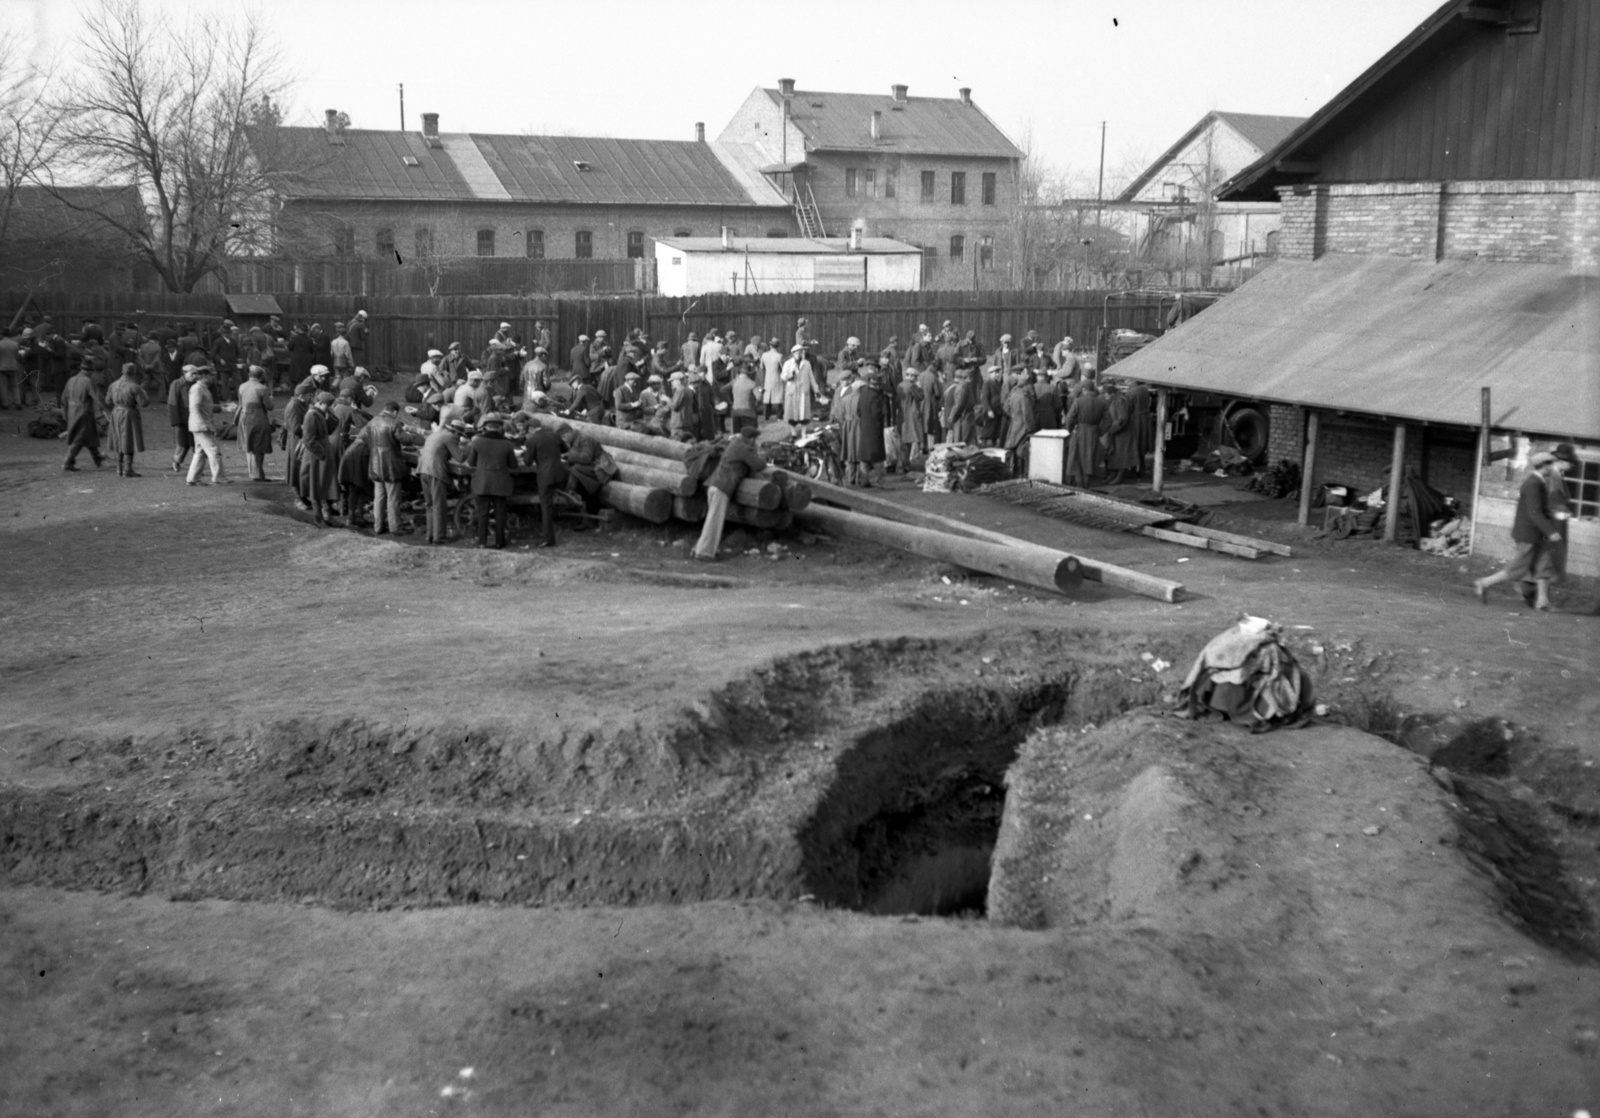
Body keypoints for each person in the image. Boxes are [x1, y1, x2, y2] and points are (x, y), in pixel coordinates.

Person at [1474, 449, 1571, 611]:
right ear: (1543, 466)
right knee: (1517, 569)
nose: (1553, 466)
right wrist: (1551, 532)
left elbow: (1541, 509)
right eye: (1550, 463)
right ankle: (1483, 583)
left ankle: (1542, 601)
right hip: (1528, 534)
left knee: (1543, 565)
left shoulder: (1540, 482)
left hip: (1537, 534)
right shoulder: (1533, 484)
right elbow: (1535, 513)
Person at [692, 423, 765, 562]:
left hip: (714, 485)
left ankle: (699, 549)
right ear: (752, 439)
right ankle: (704, 553)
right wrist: (762, 457)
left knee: (711, 520)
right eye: (755, 439)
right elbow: (758, 465)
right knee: (715, 522)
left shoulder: (734, 444)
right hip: (722, 487)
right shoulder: (744, 447)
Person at [466, 413, 517, 548]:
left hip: (482, 483)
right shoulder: (507, 443)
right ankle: (500, 542)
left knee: (482, 513)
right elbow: (513, 465)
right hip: (501, 483)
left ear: (485, 427)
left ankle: (482, 542)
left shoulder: (477, 441)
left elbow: (471, 463)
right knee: (500, 513)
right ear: (500, 428)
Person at [362, 400, 411, 536]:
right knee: (393, 498)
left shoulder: (372, 422)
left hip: (376, 464)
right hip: (391, 466)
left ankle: (378, 526)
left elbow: (366, 438)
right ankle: (395, 527)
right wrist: (410, 435)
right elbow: (406, 440)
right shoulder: (393, 423)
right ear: (395, 412)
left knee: (379, 497)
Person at [417, 418, 465, 545]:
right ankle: (439, 537)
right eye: (460, 435)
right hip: (435, 472)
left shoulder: (435, 434)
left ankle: (430, 535)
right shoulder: (450, 437)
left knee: (429, 505)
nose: (459, 438)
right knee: (439, 504)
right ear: (456, 433)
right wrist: (471, 447)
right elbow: (460, 457)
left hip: (423, 470)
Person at [525, 420, 568, 547]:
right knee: (550, 503)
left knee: (546, 506)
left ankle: (548, 538)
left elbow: (527, 462)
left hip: (545, 476)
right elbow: (564, 449)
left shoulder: (532, 439)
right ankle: (548, 532)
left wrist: (525, 454)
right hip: (560, 474)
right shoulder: (554, 435)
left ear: (532, 429)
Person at [299, 391, 340, 525]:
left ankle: (327, 517)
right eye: (328, 405)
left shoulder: (320, 414)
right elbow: (309, 440)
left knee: (324, 485)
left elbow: (328, 430)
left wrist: (332, 415)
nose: (329, 408)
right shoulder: (311, 416)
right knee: (316, 487)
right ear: (320, 403)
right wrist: (322, 454)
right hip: (316, 457)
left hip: (321, 454)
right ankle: (318, 517)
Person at [185, 367, 230, 485]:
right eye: (211, 375)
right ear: (204, 376)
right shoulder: (197, 389)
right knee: (214, 451)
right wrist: (203, 424)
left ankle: (192, 478)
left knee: (200, 452)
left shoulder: (202, 388)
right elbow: (194, 407)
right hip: (201, 425)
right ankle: (218, 478)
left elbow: (206, 406)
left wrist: (223, 407)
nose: (214, 377)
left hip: (200, 424)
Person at [1063, 381, 1108, 487]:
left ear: (1084, 390)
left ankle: (1079, 483)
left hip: (1079, 431)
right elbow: (1108, 421)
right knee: (1090, 458)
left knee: (1076, 457)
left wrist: (1070, 429)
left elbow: (1069, 419)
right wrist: (1100, 431)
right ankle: (1086, 483)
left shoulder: (1078, 401)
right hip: (1094, 432)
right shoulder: (1102, 403)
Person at [61, 362, 105, 471]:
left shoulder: (71, 380)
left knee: (89, 436)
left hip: (72, 411)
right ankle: (67, 461)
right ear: (91, 371)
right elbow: (98, 398)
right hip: (84, 413)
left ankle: (97, 458)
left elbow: (63, 398)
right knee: (79, 438)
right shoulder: (88, 381)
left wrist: (65, 414)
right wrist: (108, 409)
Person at [106, 363, 148, 477]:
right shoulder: (134, 386)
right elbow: (144, 403)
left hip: (115, 413)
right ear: (133, 372)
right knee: (128, 440)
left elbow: (108, 401)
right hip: (129, 413)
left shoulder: (113, 385)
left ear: (122, 371)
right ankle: (128, 468)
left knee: (117, 439)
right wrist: (143, 392)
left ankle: (119, 468)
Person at [235, 365, 275, 481]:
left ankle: (253, 472)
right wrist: (271, 398)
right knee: (258, 446)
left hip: (244, 417)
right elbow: (269, 407)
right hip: (258, 417)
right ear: (261, 376)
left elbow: (240, 404)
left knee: (248, 445)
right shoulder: (262, 388)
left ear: (249, 375)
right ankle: (257, 475)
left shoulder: (242, 386)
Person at [281, 383, 312, 502]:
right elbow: (296, 428)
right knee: (296, 467)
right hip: (296, 440)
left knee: (298, 466)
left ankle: (301, 495)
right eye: (309, 395)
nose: (310, 397)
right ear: (302, 395)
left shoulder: (299, 404)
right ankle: (299, 496)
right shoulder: (294, 406)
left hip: (297, 439)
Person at [1004, 369, 1038, 476]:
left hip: (1014, 424)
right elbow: (1027, 415)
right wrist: (1032, 429)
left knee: (1013, 449)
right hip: (1023, 426)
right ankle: (1021, 474)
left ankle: (1013, 472)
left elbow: (1006, 407)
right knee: (1021, 451)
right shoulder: (1024, 396)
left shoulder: (1013, 393)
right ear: (1026, 385)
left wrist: (1013, 415)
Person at [781, 344, 818, 436]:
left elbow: (811, 378)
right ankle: (793, 433)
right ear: (793, 353)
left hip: (803, 392)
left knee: (804, 414)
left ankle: (803, 432)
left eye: (801, 352)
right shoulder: (788, 363)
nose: (799, 354)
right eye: (797, 352)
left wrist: (816, 390)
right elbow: (783, 376)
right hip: (792, 391)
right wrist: (791, 374)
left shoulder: (807, 363)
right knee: (791, 414)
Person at [668, 371, 698, 442]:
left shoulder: (680, 391)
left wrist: (667, 400)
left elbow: (674, 407)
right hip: (687, 423)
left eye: (672, 381)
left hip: (678, 424)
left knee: (676, 445)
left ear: (678, 381)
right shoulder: (689, 390)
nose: (671, 383)